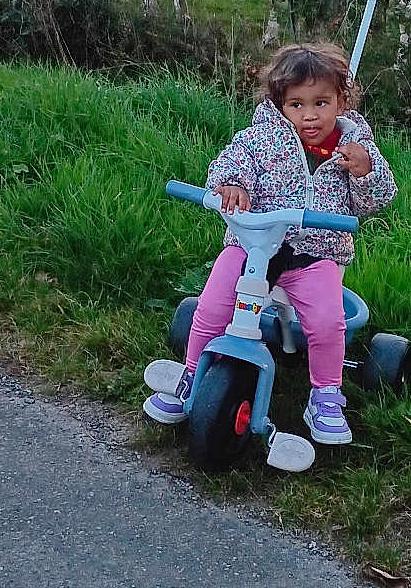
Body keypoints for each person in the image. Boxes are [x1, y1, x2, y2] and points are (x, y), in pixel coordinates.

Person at [144, 42, 397, 445]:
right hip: (252, 245)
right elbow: (230, 163)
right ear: (279, 103)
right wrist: (230, 186)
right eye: (296, 104)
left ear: (342, 102)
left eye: (321, 102)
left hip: (315, 252)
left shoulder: (353, 147)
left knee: (328, 320)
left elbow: (376, 201)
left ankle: (326, 395)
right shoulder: (260, 139)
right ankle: (192, 373)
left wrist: (366, 171)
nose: (309, 115)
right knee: (211, 305)